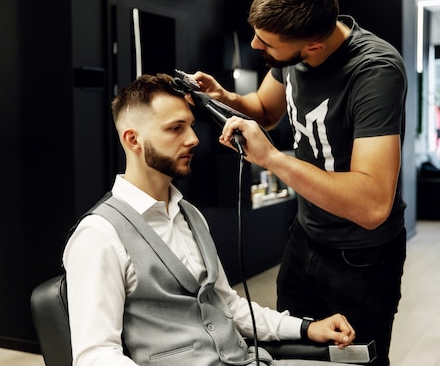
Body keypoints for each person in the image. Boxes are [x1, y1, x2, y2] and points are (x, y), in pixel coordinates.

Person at [190, 0, 408, 366]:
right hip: (305, 238)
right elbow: (267, 110)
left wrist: (272, 159)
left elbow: (373, 205)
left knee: (353, 361)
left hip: (361, 258)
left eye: (267, 43)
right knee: (293, 354)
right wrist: (225, 98)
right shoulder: (290, 52)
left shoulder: (375, 71)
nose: (256, 45)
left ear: (314, 46)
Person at [62, 73, 356, 366]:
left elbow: (228, 305)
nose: (193, 139)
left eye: (190, 126)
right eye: (176, 128)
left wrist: (306, 327)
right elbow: (96, 356)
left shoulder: (189, 215)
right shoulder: (99, 235)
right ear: (133, 139)